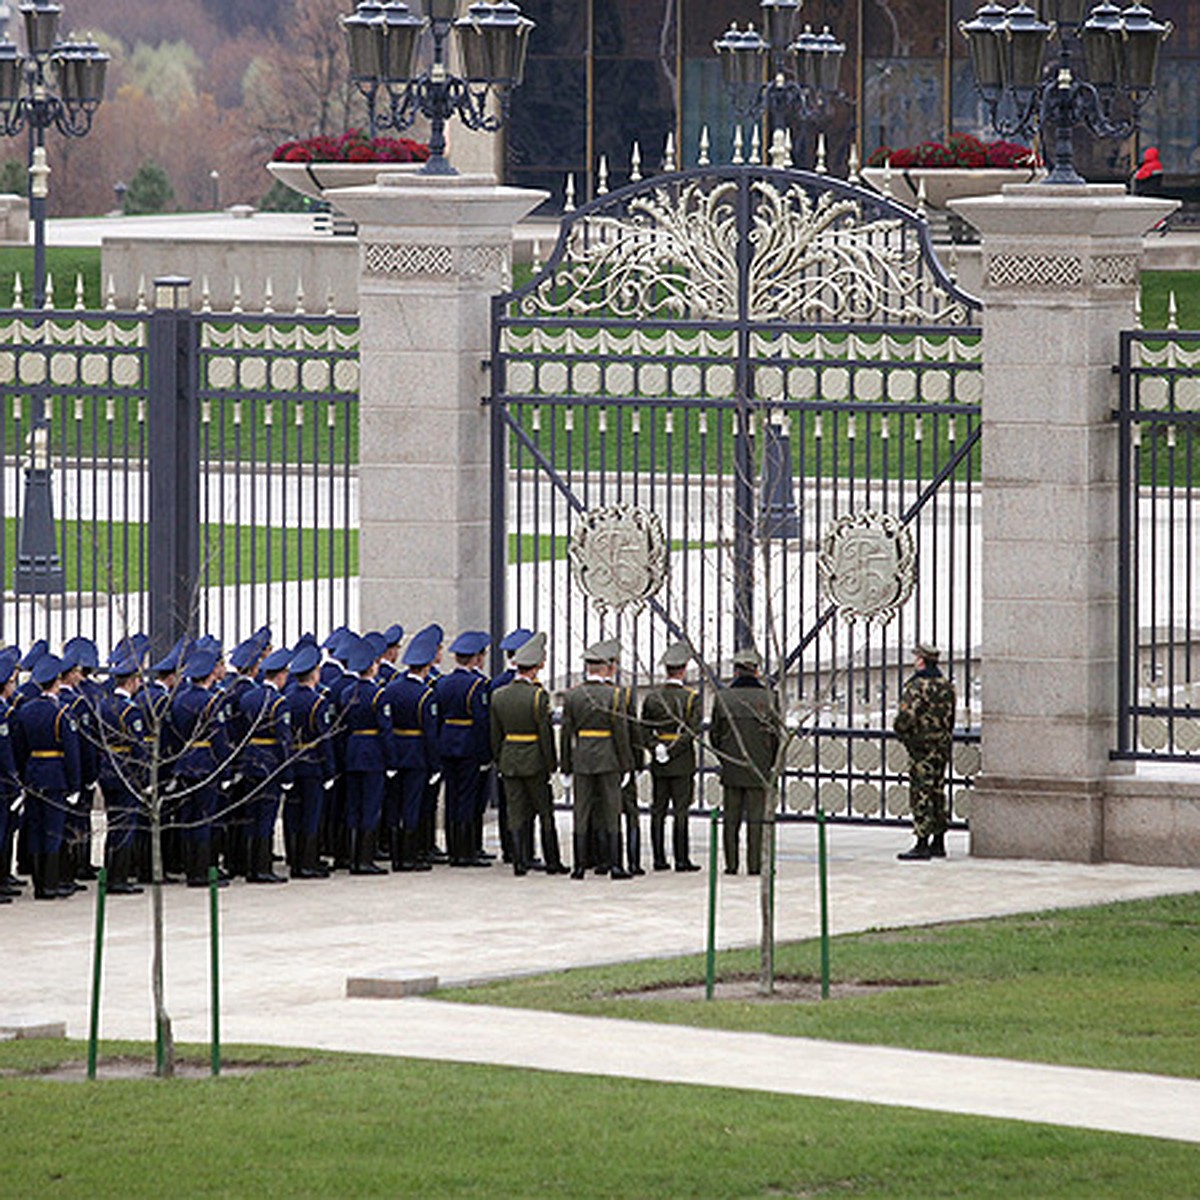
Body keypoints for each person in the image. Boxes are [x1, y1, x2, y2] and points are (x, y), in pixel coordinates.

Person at [489, 632, 565, 877]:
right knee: (544, 811)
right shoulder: (537, 696)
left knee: (516, 811)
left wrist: (500, 759)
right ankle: (552, 860)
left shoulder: (499, 695)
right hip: (534, 760)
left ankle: (519, 861)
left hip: (509, 758)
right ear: (534, 668)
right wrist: (551, 763)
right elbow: (544, 734)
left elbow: (495, 734)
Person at [560, 638, 633, 881]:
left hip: (582, 757)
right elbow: (621, 733)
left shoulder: (572, 696)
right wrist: (627, 764)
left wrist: (565, 766)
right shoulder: (614, 695)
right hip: (608, 758)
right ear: (605, 667)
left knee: (581, 811)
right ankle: (614, 865)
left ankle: (579, 866)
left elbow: (565, 734)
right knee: (612, 810)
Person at [11, 653, 82, 899]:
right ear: (57, 681)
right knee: (53, 829)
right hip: (55, 776)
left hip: (33, 773)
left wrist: (22, 775)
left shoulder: (25, 710)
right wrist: (75, 784)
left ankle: (39, 883)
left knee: (35, 828)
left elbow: (19, 748)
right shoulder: (62, 712)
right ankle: (51, 884)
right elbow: (71, 753)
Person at [709, 647, 779, 875]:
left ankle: (731, 865)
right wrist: (770, 762)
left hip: (731, 766)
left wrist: (725, 757)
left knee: (731, 819)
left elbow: (714, 735)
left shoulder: (724, 698)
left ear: (736, 671)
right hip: (759, 767)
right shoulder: (769, 698)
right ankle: (755, 865)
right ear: (757, 670)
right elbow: (777, 736)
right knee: (757, 820)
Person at [380, 625, 442, 872]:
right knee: (412, 805)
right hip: (416, 756)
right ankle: (409, 856)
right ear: (426, 665)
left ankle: (396, 855)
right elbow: (429, 733)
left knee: (394, 805)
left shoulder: (391, 688)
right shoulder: (425, 695)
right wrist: (434, 763)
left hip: (396, 751)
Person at [641, 641, 702, 872]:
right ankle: (681, 859)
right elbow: (692, 731)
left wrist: (656, 746)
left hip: (659, 761)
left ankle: (658, 858)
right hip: (682, 760)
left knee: (658, 810)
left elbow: (644, 728)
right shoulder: (690, 698)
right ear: (684, 669)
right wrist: (673, 749)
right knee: (680, 811)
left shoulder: (653, 698)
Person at [893, 642, 957, 861]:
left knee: (922, 791)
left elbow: (906, 718)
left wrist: (902, 733)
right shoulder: (946, 685)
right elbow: (951, 719)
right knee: (938, 790)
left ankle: (921, 842)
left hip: (921, 747)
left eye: (916, 657)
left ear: (921, 660)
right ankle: (938, 841)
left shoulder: (917, 686)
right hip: (941, 745)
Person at [434, 631, 493, 868]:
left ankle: (453, 849)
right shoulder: (477, 685)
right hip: (468, 745)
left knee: (451, 797)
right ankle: (466, 852)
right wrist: (485, 754)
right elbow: (481, 722)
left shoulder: (443, 682)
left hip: (447, 743)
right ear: (477, 659)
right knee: (467, 799)